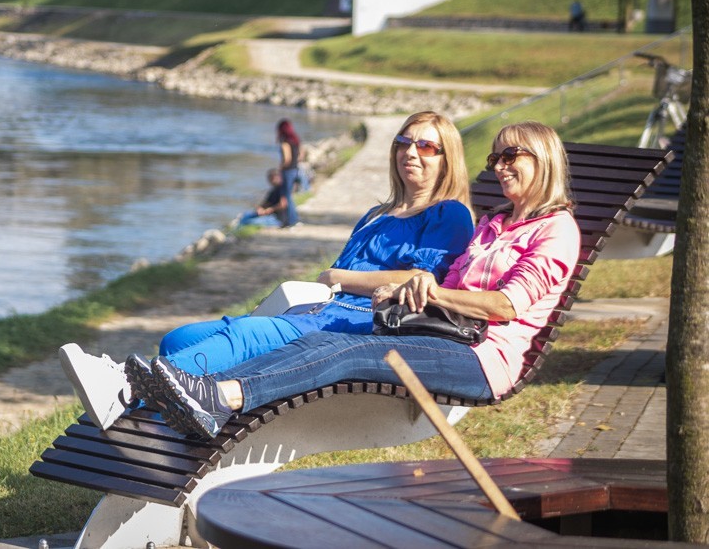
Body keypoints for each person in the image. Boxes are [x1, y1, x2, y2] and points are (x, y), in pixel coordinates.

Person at [129, 121, 581, 440]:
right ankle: (208, 396)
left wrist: (431, 289)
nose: (499, 165)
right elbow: (447, 286)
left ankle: (219, 396)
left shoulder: (556, 230)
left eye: (511, 156)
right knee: (314, 344)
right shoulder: (496, 223)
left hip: (483, 358)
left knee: (345, 347)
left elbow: (506, 305)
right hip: (441, 334)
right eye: (495, 156)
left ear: (542, 160)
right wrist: (405, 290)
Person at [60, 111, 475, 429]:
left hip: (355, 330)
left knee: (245, 335)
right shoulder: (377, 214)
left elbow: (421, 281)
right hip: (318, 314)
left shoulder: (449, 214)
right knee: (178, 339)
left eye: (427, 147)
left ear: (446, 160)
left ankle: (124, 390)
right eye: (405, 142)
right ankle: (168, 427)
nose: (411, 153)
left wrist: (338, 278)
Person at [276, 119, 302, 227]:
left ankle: (291, 220)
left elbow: (287, 159)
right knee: (290, 195)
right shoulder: (296, 141)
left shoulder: (285, 143)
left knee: (286, 196)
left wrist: (280, 169)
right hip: (295, 169)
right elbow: (300, 155)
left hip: (288, 171)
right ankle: (292, 219)